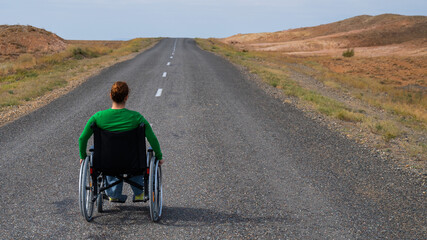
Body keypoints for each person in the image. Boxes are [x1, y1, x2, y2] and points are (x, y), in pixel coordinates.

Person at [79, 81, 163, 203]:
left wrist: (82, 156)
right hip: (133, 163)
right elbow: (153, 139)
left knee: (107, 153)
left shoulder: (98, 117)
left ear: (110, 96)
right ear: (126, 97)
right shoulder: (136, 117)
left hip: (106, 163)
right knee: (136, 155)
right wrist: (159, 156)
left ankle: (113, 193)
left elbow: (82, 138)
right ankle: (139, 193)